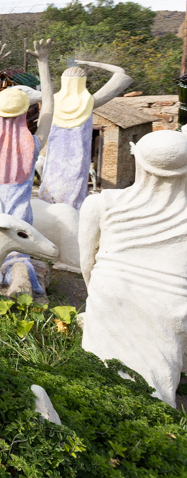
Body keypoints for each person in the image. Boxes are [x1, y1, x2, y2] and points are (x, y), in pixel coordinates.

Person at [79, 130, 187, 406]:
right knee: (160, 379)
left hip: (110, 290)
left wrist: (96, 293)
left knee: (98, 372)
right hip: (173, 303)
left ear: (135, 157)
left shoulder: (100, 203)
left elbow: (86, 262)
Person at [0, 40, 54, 293]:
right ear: (25, 112)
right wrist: (43, 62)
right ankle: (21, 278)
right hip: (20, 217)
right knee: (19, 255)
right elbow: (50, 107)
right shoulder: (33, 145)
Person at [40, 61, 130, 209]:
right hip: (77, 173)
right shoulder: (90, 102)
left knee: (49, 197)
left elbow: (42, 88)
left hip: (51, 177)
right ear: (83, 83)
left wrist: (42, 62)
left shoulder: (51, 103)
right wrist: (89, 62)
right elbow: (120, 73)